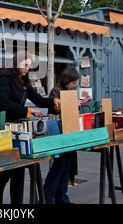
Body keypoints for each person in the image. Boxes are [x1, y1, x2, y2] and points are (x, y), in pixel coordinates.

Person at [0, 50, 61, 204]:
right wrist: (28, 111)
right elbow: (4, 102)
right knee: (8, 169)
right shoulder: (5, 77)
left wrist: (53, 101)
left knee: (18, 168)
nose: (27, 68)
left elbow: (37, 99)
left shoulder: (25, 80)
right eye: (25, 65)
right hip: (4, 125)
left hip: (18, 126)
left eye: (29, 66)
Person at [44, 67, 79, 204]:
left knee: (65, 167)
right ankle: (48, 195)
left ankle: (62, 197)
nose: (74, 86)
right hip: (59, 132)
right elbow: (55, 111)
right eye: (73, 83)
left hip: (69, 131)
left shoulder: (67, 91)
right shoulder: (56, 91)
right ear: (67, 81)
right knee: (59, 167)